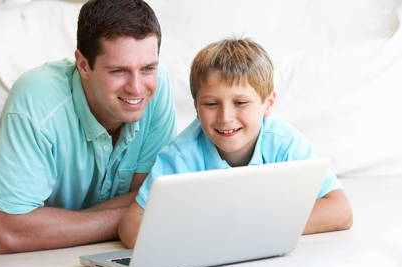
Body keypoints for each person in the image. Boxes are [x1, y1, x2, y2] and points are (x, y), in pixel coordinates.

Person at [118, 38, 353, 249]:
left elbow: (340, 211)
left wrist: (249, 229)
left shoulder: (284, 143)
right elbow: (131, 225)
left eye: (240, 102)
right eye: (211, 104)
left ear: (268, 104)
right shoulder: (182, 155)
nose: (225, 117)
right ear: (196, 108)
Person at [0, 0, 176, 253]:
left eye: (148, 68)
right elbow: (9, 233)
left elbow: (154, 198)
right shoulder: (36, 97)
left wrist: (49, 224)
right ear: (84, 66)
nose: (137, 88)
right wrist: (130, 218)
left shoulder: (158, 88)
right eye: (119, 71)